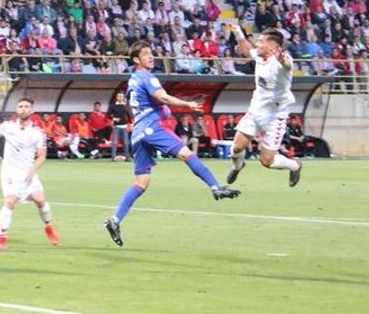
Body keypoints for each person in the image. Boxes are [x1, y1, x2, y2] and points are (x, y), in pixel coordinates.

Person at [103, 42, 239, 247]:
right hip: (151, 129)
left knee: (141, 183)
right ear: (136, 60)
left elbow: (135, 107)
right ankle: (215, 186)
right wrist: (187, 105)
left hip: (138, 134)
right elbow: (162, 97)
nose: (151, 56)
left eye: (151, 52)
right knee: (187, 154)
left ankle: (114, 220)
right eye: (146, 54)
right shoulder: (147, 77)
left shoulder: (132, 80)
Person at [0, 98, 58, 250]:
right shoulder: (7, 126)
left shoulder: (38, 133)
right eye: (20, 106)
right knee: (10, 202)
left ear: (32, 111)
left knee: (40, 200)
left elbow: (42, 155)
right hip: (10, 172)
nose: (23, 109)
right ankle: (2, 236)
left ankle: (49, 227)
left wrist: (33, 169)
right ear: (17, 110)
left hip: (28, 173)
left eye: (26, 107)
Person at [225, 25, 303, 187]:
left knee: (267, 161)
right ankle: (238, 166)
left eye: (261, 42)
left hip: (276, 116)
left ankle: (295, 166)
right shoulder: (260, 57)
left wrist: (282, 57)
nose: (257, 44)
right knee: (237, 148)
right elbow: (247, 50)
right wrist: (238, 31)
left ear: (273, 47)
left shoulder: (282, 61)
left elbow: (287, 65)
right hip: (256, 111)